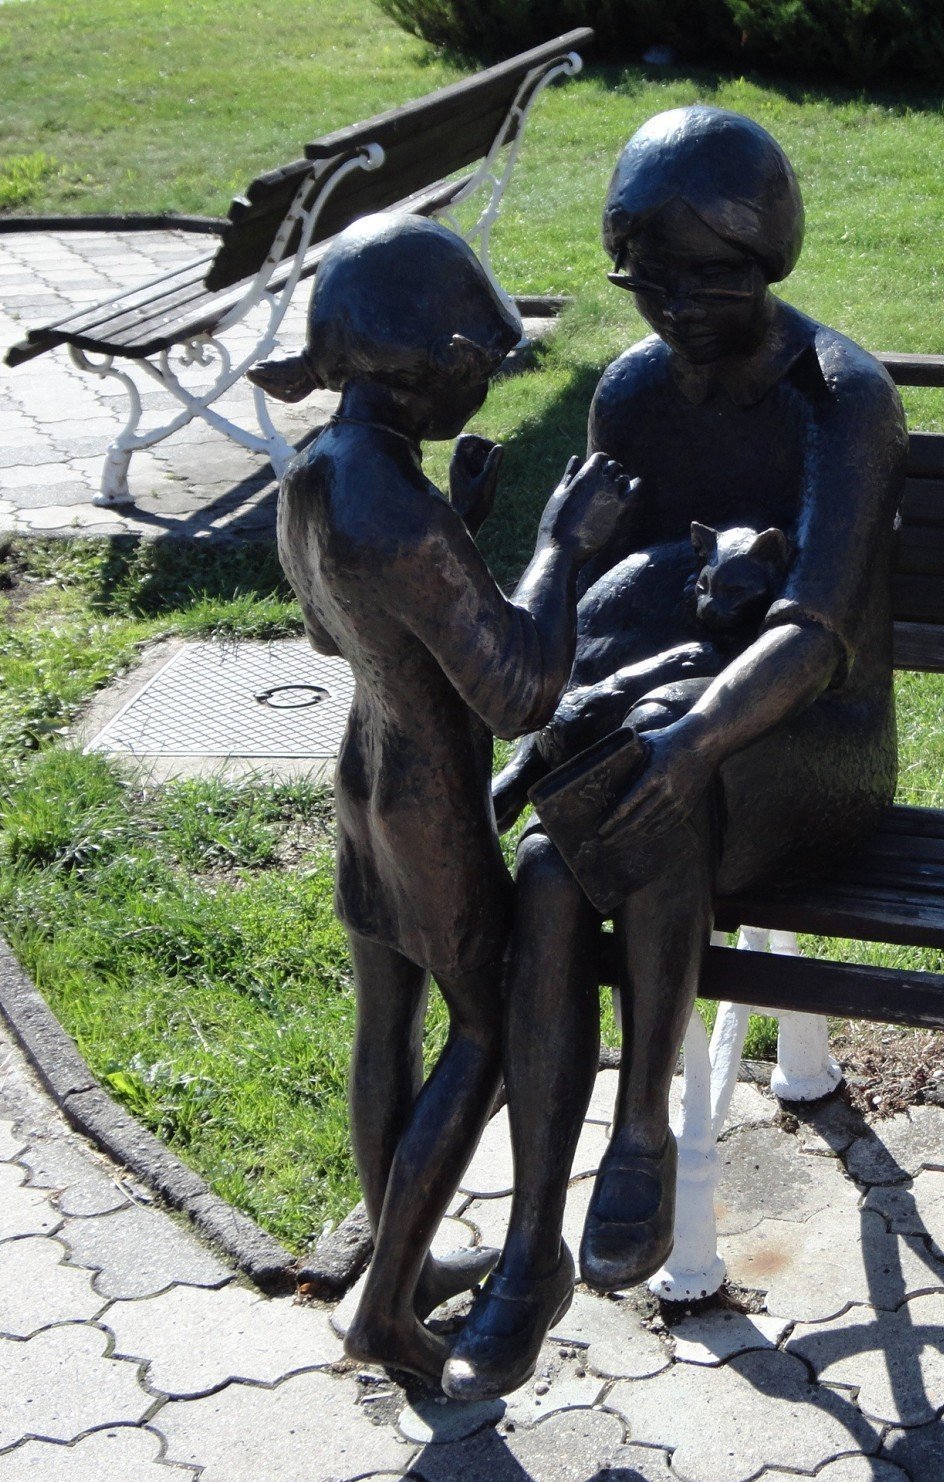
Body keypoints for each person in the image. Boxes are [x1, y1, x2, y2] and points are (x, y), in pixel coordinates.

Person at [444, 105, 908, 1400]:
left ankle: (640, 1125)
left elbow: (816, 633)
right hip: (663, 723)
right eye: (652, 278)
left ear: (771, 261)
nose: (681, 306)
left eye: (714, 276)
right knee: (547, 870)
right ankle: (532, 1248)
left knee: (645, 807)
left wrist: (695, 739)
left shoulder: (841, 399)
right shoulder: (633, 393)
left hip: (815, 746)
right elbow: (599, 607)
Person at [258, 213, 638, 1385]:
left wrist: (458, 540)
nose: (481, 383)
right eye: (473, 364)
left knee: (390, 1016)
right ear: (418, 364)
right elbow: (521, 689)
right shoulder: (397, 508)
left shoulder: (320, 473)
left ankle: (403, 1255)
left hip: (361, 772)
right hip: (427, 801)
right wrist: (564, 544)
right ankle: (383, 1310)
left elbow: (341, 630)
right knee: (483, 1026)